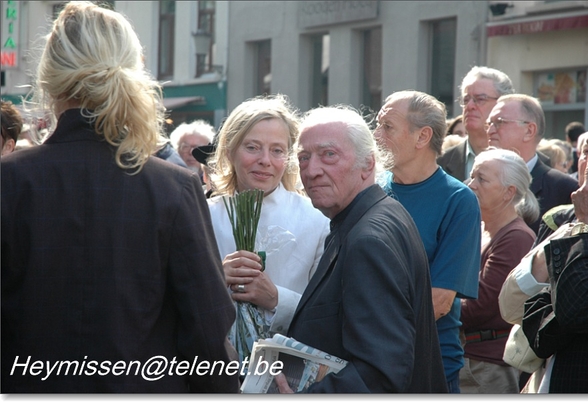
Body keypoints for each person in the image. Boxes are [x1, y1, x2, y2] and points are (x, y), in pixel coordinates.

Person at [1, 2, 238, 392]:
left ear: (49, 78)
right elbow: (207, 336)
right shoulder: (173, 188)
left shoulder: (9, 182)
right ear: (133, 73)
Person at [278, 104, 447, 392]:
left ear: (368, 164)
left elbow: (380, 375)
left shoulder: (368, 238)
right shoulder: (363, 218)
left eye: (329, 155)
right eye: (303, 158)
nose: (312, 170)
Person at [374, 90, 480, 393]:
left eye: (388, 127)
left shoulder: (458, 200)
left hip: (428, 367)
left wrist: (366, 325)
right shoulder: (373, 189)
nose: (376, 135)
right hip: (369, 360)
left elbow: (440, 301)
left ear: (422, 137)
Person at [206, 95, 330, 342]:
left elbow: (326, 313)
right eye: (252, 147)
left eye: (277, 150)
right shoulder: (203, 215)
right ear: (230, 151)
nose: (265, 160)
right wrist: (214, 279)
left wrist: (276, 298)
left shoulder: (317, 221)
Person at [499, 134, 588, 393]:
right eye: (587, 152)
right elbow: (512, 306)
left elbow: (575, 311)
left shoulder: (583, 219)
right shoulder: (561, 218)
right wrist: (577, 225)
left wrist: (586, 225)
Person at [459, 148, 538, 393]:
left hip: (485, 367)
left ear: (508, 192)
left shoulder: (515, 238)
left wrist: (434, 302)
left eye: (481, 179)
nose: (470, 185)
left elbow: (480, 305)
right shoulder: (483, 229)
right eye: (472, 176)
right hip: (471, 358)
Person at [486, 93, 579, 234]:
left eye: (499, 122)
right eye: (489, 123)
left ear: (529, 131)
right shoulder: (473, 185)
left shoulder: (564, 189)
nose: (490, 130)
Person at [438, 66, 515, 182]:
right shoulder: (440, 163)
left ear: (502, 104)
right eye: (465, 100)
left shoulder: (527, 159)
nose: (469, 106)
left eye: (480, 99)